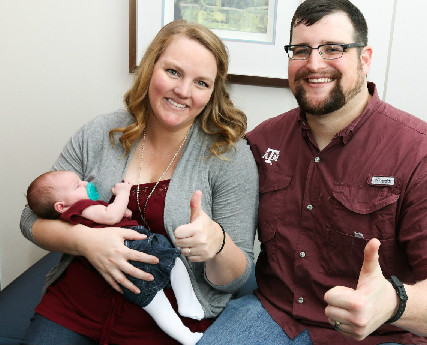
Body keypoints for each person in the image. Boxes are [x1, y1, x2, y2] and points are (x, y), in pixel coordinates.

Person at [198, 1, 427, 344]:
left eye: (333, 49)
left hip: (383, 333)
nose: (314, 64)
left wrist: (392, 302)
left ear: (364, 59)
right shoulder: (263, 142)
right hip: (274, 315)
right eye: (300, 50)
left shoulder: (424, 156)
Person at [20, 19, 258, 345]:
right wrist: (87, 243)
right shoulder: (99, 133)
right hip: (77, 304)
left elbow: (237, 278)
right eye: (173, 72)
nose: (183, 91)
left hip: (167, 320)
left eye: (201, 82)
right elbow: (31, 218)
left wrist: (216, 243)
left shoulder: (230, 158)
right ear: (150, 68)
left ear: (213, 92)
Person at [26, 170, 204, 345]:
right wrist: (123, 194)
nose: (85, 183)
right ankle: (186, 303)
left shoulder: (77, 214)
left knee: (155, 303)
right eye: (77, 185)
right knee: (175, 262)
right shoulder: (82, 207)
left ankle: (185, 334)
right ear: (61, 206)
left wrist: (122, 212)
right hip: (134, 247)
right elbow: (111, 216)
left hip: (121, 264)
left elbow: (106, 218)